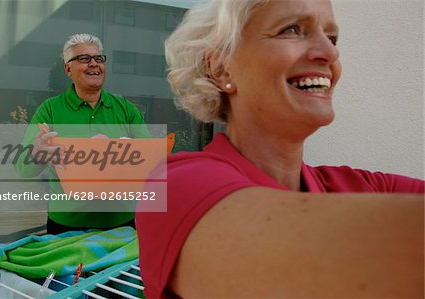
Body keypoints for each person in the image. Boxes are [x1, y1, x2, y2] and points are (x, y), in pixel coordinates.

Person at [135, 0, 424, 298]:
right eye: (292, 29)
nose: (330, 53)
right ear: (220, 68)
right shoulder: (175, 187)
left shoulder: (361, 187)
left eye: (332, 38)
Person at [14, 33, 149, 234]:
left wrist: (134, 154)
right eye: (84, 58)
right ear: (68, 68)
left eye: (98, 58)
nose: (94, 64)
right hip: (65, 225)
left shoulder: (126, 109)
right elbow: (23, 168)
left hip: (120, 224)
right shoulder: (49, 110)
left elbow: (151, 162)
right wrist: (38, 153)